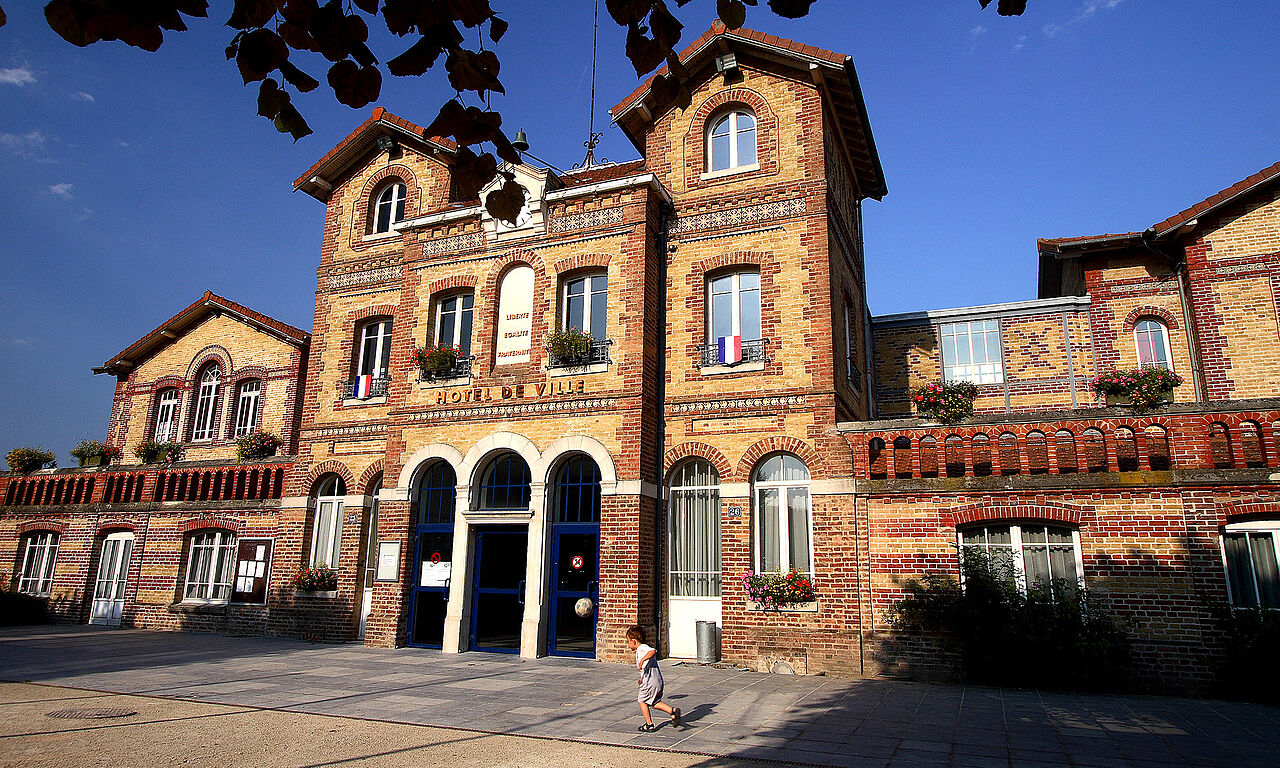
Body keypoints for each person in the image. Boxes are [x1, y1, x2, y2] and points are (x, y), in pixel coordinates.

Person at [626, 625, 681, 731]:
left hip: (650, 683)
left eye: (628, 641)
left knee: (642, 701)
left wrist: (642, 661)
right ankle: (672, 711)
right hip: (656, 681)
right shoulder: (641, 649)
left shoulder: (642, 648)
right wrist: (642, 678)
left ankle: (649, 724)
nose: (628, 644)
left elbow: (653, 651)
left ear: (633, 641)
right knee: (653, 702)